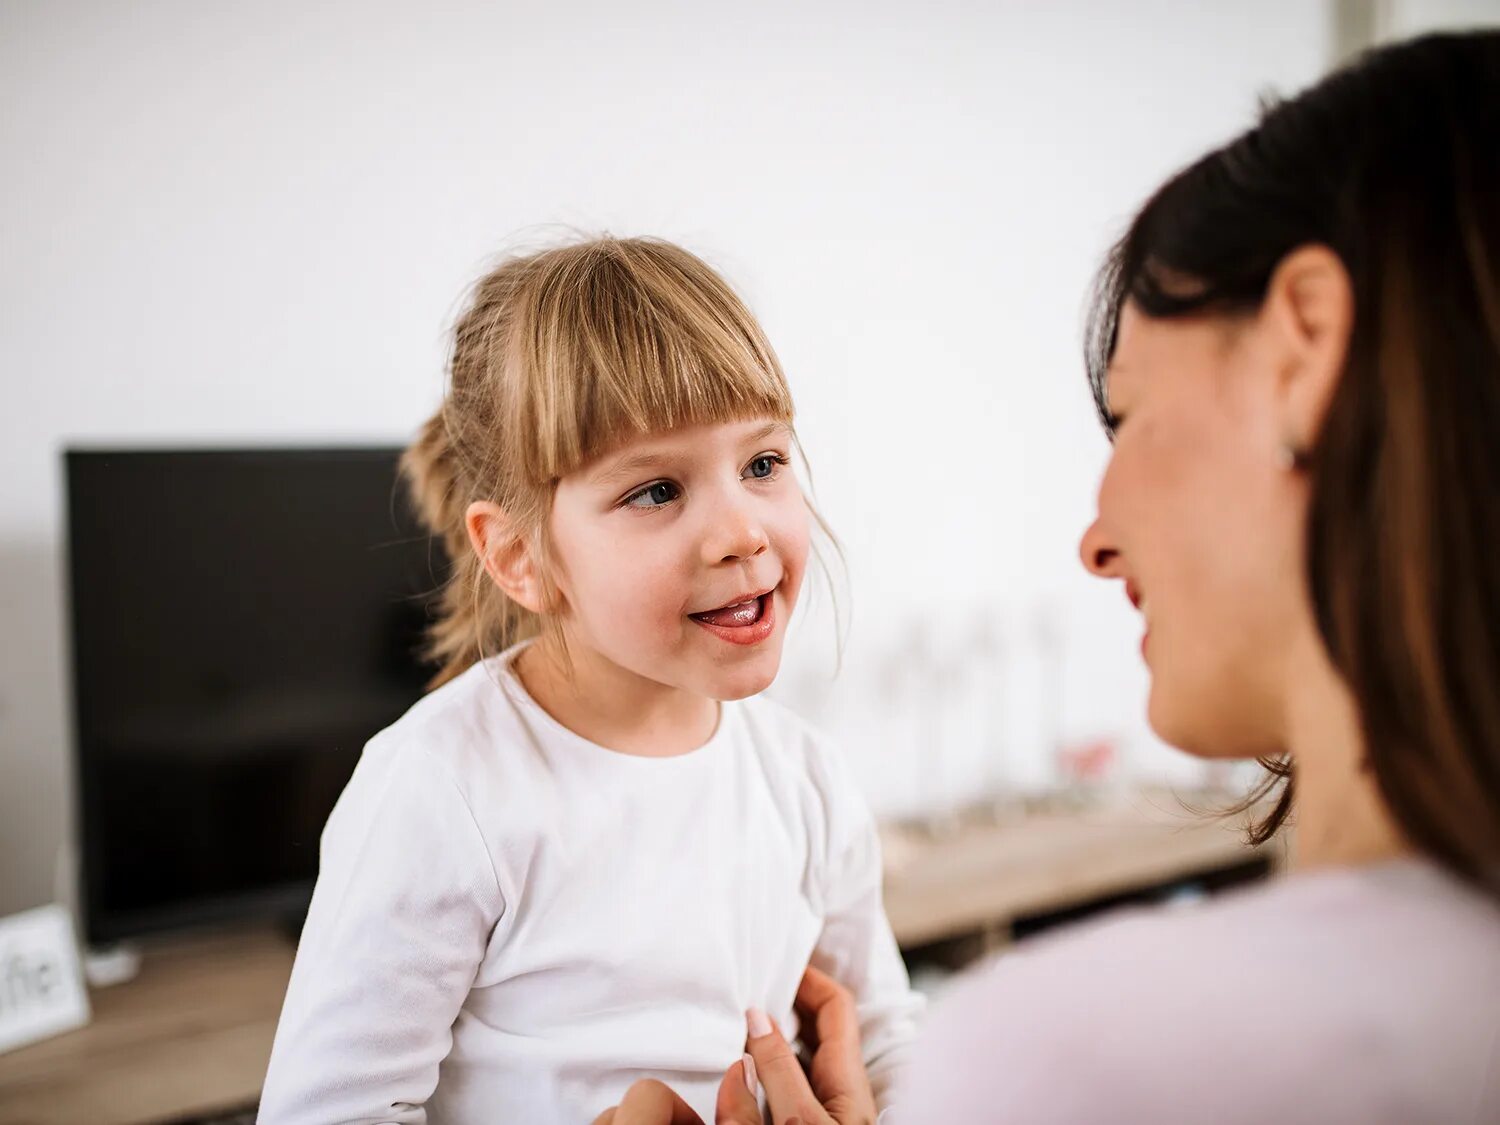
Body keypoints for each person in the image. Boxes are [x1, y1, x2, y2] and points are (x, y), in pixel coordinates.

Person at [596, 29, 1500, 1125]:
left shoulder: (1073, 1061)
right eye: (655, 491)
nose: (1096, 538)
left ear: (1304, 347)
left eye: (1132, 416)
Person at [257, 237, 921, 1124]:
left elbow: (883, 1041)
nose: (742, 532)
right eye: (655, 491)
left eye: (763, 464)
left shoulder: (806, 781)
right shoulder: (440, 789)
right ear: (523, 557)